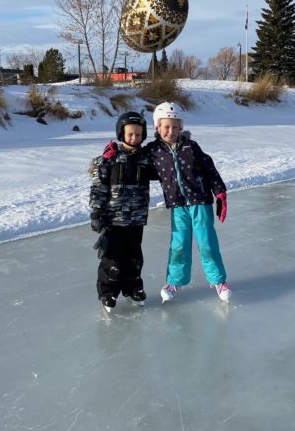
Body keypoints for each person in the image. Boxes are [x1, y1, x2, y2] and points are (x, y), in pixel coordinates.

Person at [104, 101, 231, 303]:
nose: (170, 131)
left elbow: (209, 168)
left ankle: (218, 281)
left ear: (181, 127)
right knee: (179, 244)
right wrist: (115, 152)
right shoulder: (153, 151)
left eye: (175, 126)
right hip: (177, 206)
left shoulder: (191, 146)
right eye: (166, 127)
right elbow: (132, 156)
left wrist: (220, 192)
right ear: (157, 127)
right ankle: (175, 281)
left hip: (200, 202)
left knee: (207, 242)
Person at [89, 111, 157, 312]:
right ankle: (108, 292)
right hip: (113, 219)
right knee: (112, 257)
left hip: (136, 219)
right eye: (130, 134)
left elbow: (165, 164)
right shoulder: (110, 159)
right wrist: (96, 213)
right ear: (121, 134)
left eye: (138, 134)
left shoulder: (146, 158)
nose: (134, 138)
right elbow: (98, 188)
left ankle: (133, 288)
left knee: (134, 256)